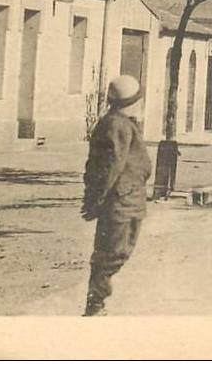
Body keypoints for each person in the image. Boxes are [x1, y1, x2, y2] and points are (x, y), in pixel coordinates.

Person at [81, 75, 152, 316]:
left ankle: (97, 300)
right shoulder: (117, 125)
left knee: (118, 251)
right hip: (121, 200)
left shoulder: (121, 123)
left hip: (129, 199)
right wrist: (96, 199)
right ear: (131, 102)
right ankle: (95, 303)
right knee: (111, 252)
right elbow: (110, 165)